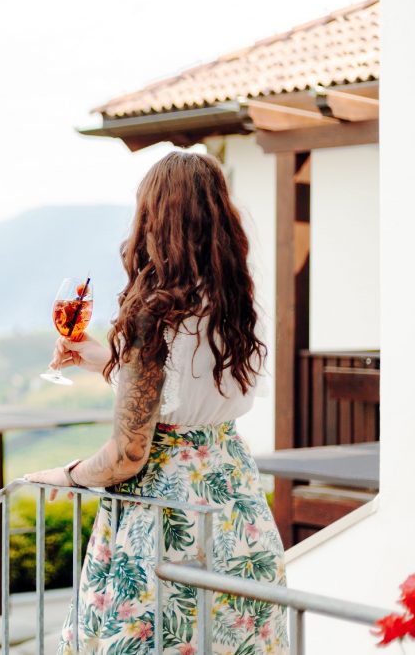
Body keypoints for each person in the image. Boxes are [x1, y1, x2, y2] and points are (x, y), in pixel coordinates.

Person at [23, 150, 289, 655]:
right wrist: (101, 360)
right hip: (232, 501)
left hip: (167, 513)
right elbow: (182, 396)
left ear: (154, 220)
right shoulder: (239, 303)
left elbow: (129, 452)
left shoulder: (153, 315)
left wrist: (69, 474)